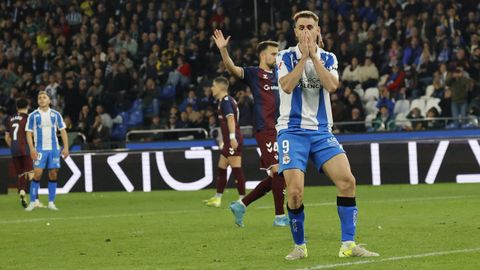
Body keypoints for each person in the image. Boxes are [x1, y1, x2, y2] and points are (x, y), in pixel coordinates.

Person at [275, 11, 379, 260]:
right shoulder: (284, 56)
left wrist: (314, 57)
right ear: (295, 32)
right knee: (295, 192)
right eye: (301, 28)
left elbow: (332, 86)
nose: (306, 31)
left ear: (318, 30)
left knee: (347, 182)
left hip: (321, 132)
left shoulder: (329, 57)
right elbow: (287, 86)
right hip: (292, 131)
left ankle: (349, 244)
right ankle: (300, 246)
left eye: (310, 27)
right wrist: (304, 59)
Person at [212, 29, 288, 227]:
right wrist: (223, 51)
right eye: (273, 53)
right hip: (266, 128)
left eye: (278, 53)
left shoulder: (280, 74)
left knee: (278, 175)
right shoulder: (254, 74)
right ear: (263, 55)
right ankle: (280, 217)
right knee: (280, 171)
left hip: (282, 129)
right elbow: (232, 69)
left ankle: (242, 204)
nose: (276, 56)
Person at [203, 77, 246, 207]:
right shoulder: (222, 101)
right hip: (228, 141)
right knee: (221, 168)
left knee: (236, 168)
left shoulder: (226, 102)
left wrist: (232, 138)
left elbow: (231, 120)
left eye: (213, 86)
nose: (212, 88)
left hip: (233, 139)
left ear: (221, 88)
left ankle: (242, 199)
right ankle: (217, 198)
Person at [24, 91, 69, 211]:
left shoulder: (56, 114)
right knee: (37, 173)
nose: (42, 99)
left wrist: (66, 147)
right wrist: (32, 148)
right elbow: (28, 133)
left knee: (53, 173)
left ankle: (51, 202)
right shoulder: (33, 115)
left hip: (54, 149)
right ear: (38, 101)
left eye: (44, 97)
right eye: (39, 98)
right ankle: (33, 202)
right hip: (39, 149)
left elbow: (63, 131)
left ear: (49, 100)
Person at [4, 98, 41, 208]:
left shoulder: (10, 119)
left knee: (21, 174)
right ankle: (36, 200)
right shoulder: (28, 118)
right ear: (27, 107)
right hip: (26, 149)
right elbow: (32, 134)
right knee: (31, 174)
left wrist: (13, 146)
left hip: (14, 150)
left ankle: (22, 192)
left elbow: (7, 137)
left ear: (16, 107)